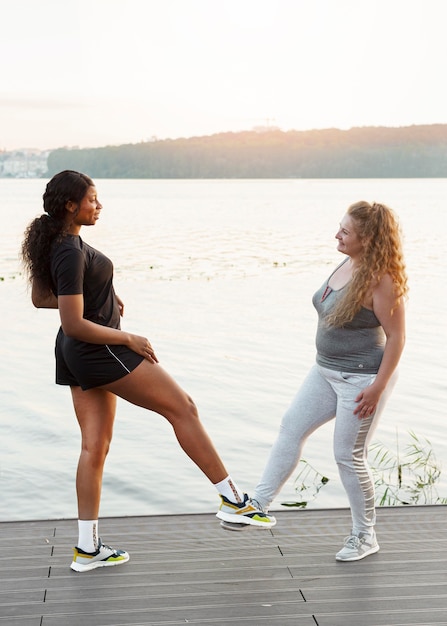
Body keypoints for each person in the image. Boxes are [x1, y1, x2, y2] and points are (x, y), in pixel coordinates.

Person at [21, 170, 276, 573]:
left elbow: (42, 299)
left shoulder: (57, 243)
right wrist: (127, 339)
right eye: (92, 199)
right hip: (98, 349)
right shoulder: (68, 249)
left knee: (94, 448)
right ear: (71, 204)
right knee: (183, 407)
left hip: (75, 353)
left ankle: (87, 549)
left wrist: (99, 297)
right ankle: (233, 501)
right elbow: (73, 321)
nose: (99, 205)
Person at [226, 201, 408, 562]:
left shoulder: (382, 278)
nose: (337, 235)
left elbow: (398, 337)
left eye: (345, 231)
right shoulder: (349, 262)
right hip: (324, 370)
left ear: (367, 238)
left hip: (362, 378)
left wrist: (377, 387)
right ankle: (258, 504)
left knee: (348, 456)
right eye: (339, 228)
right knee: (291, 426)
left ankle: (364, 536)